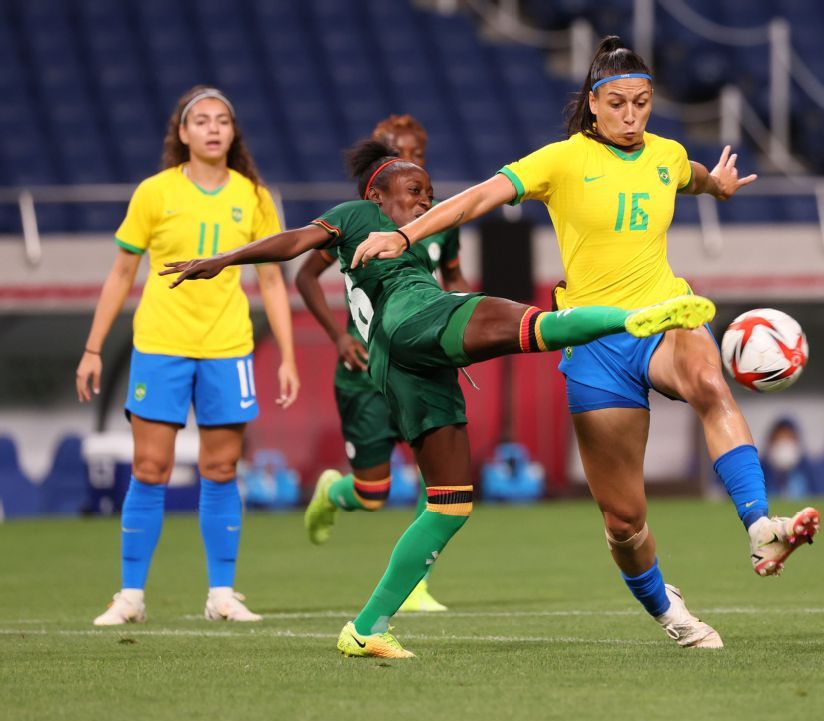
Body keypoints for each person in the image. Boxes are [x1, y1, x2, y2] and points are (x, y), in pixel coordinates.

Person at [350, 36, 821, 650]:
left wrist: (719, 187)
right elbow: (478, 198)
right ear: (593, 105)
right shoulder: (561, 161)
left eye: (643, 103)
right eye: (619, 103)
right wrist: (405, 236)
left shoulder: (666, 155)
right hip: (595, 342)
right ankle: (671, 614)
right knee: (624, 522)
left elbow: (692, 176)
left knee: (710, 381)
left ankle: (761, 524)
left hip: (666, 315)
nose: (631, 116)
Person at [161, 138, 715, 658]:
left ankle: (366, 630)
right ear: (377, 196)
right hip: (411, 320)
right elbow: (294, 245)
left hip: (404, 362)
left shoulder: (420, 239)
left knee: (450, 505)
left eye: (428, 194)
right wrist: (227, 259)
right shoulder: (360, 216)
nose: (424, 201)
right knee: (538, 324)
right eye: (413, 193)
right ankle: (635, 320)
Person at [76, 85, 300, 626]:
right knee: (149, 468)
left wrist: (288, 356)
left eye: (222, 119)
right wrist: (92, 349)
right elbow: (121, 273)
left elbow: (272, 279)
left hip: (228, 348)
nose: (213, 128)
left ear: (233, 131)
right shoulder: (154, 193)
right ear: (182, 133)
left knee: (221, 468)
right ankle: (130, 596)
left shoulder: (255, 197)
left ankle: (221, 594)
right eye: (201, 120)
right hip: (161, 345)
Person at [295, 116, 464, 614]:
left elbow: (453, 280)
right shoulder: (359, 222)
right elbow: (306, 276)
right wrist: (338, 336)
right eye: (397, 149)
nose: (410, 156)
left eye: (418, 150)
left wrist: (458, 326)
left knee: (437, 474)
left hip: (420, 358)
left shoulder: (437, 222)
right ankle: (334, 492)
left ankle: (415, 585)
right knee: (373, 492)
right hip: (367, 367)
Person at [760, 418, 815, 498]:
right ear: (771, 442)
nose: (784, 444)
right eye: (779, 438)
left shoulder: (808, 473)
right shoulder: (760, 473)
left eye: (789, 438)